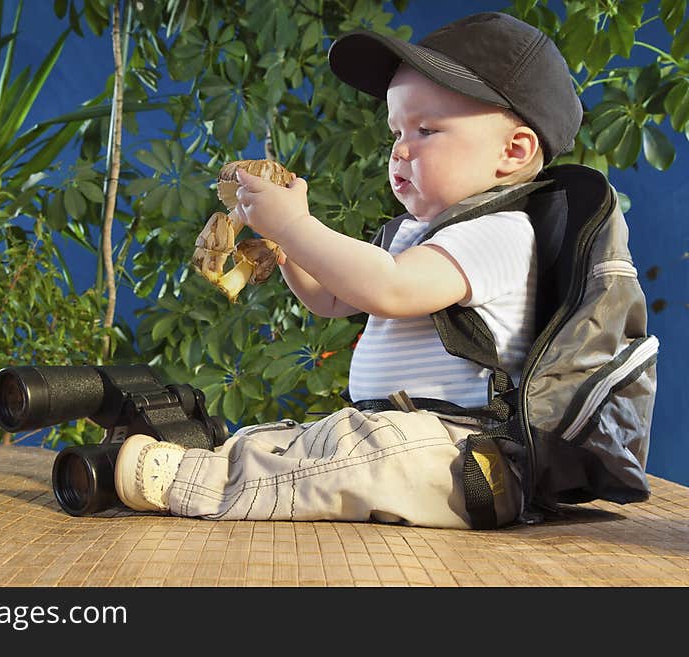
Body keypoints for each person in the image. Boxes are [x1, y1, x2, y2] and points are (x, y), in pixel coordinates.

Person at [112, 12, 583, 528]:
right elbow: (332, 299)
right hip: (392, 431)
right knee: (302, 439)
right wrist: (289, 248)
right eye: (396, 131)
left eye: (426, 130)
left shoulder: (502, 232)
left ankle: (194, 482)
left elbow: (392, 289)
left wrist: (297, 227)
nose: (400, 150)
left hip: (466, 456)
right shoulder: (410, 234)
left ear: (512, 152)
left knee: (371, 453)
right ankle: (205, 460)